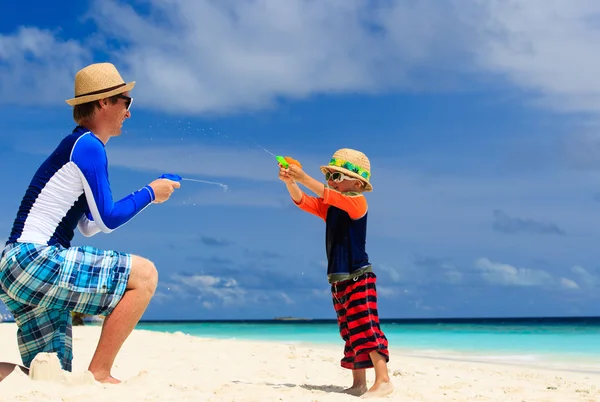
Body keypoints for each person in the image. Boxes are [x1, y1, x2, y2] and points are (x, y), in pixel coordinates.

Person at [0, 62, 180, 384]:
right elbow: (108, 220)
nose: (129, 112)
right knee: (145, 275)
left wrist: (146, 195)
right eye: (126, 102)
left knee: (48, 378)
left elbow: (88, 224)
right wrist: (151, 192)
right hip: (35, 260)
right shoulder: (89, 147)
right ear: (103, 102)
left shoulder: (78, 146)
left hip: (16, 266)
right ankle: (100, 373)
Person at [279, 148, 394, 398]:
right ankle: (359, 382)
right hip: (338, 279)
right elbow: (305, 202)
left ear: (358, 182)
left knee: (366, 326)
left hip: (358, 275)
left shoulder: (356, 202)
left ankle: (383, 379)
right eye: (330, 175)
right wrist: (291, 183)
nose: (331, 181)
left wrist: (303, 177)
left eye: (337, 177)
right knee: (350, 332)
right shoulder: (331, 206)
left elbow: (326, 194)